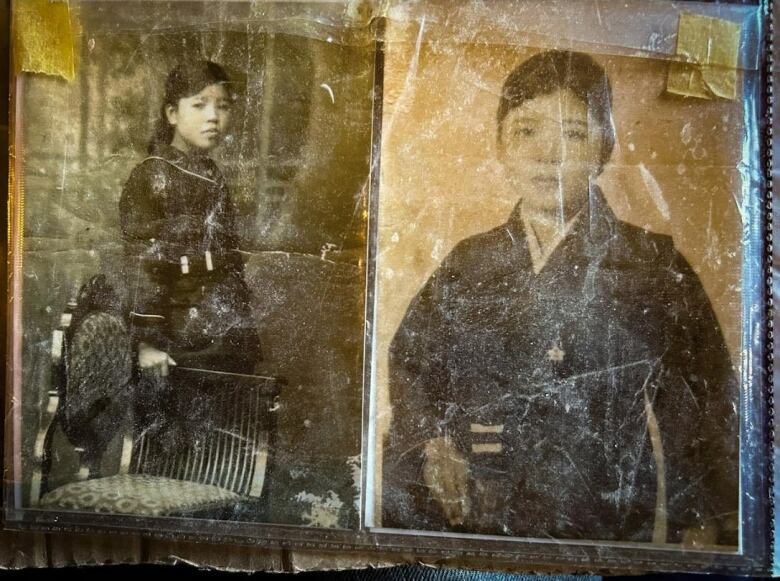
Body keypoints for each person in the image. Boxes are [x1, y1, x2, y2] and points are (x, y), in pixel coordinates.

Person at [382, 50, 738, 545]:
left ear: (604, 147)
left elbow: (703, 398)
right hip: (475, 513)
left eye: (573, 133)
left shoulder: (651, 262)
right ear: (502, 145)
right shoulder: (469, 261)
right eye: (526, 131)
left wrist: (708, 517)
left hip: (597, 513)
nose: (548, 154)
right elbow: (413, 365)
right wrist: (431, 443)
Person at [119, 60, 261, 441]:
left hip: (218, 334)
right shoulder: (152, 174)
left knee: (228, 451)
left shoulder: (211, 175)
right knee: (174, 451)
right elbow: (139, 264)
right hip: (174, 342)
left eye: (224, 105)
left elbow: (228, 262)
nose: (213, 116)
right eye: (199, 105)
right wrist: (146, 343)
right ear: (171, 113)